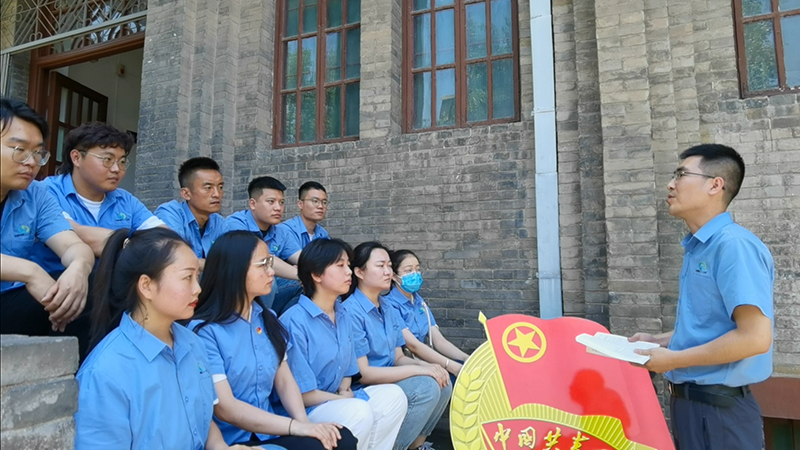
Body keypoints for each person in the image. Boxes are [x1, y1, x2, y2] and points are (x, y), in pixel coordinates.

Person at [74, 228, 278, 450]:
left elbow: (203, 421)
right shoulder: (105, 372)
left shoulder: (192, 343)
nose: (198, 289)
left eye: (197, 277)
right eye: (187, 278)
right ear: (146, 286)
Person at [629, 144, 773, 450]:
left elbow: (755, 338)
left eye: (681, 175)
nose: (670, 184)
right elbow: (712, 326)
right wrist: (659, 341)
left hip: (720, 412)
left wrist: (672, 359)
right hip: (690, 407)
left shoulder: (733, 246)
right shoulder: (698, 247)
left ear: (715, 185)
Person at [190, 231, 358, 450]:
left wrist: (306, 425)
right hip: (233, 441)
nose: (271, 272)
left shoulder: (267, 318)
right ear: (234, 269)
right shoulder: (205, 331)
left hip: (269, 432)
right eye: (263, 265)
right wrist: (295, 427)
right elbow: (226, 408)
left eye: (270, 263)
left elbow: (285, 381)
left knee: (341, 438)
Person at [280, 238, 407, 450]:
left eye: (348, 265)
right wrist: (341, 398)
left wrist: (344, 389)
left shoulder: (343, 314)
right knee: (358, 411)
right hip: (306, 409)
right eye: (340, 266)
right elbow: (301, 393)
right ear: (316, 275)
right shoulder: (294, 321)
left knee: (393, 396)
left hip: (338, 397)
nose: (348, 272)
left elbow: (348, 368)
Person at [0, 98, 94, 350]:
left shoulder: (36, 194)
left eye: (38, 153)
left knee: (89, 286)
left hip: (7, 304)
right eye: (19, 149)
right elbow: (30, 273)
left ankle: (82, 372)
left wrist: (79, 268)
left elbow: (72, 245)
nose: (31, 162)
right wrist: (29, 272)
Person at [342, 242, 451, 450]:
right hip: (367, 387)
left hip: (390, 377)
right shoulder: (350, 311)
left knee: (442, 382)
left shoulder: (387, 307)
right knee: (426, 387)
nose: (388, 272)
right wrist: (421, 370)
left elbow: (398, 357)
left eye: (389, 266)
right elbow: (364, 373)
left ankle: (417, 446)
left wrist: (431, 368)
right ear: (359, 272)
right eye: (380, 266)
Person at [34, 122, 164, 269]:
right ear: (76, 158)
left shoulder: (125, 199)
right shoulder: (46, 191)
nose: (116, 169)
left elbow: (165, 237)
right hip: (57, 280)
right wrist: (138, 245)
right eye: (107, 159)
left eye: (122, 162)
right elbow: (81, 236)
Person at [384, 250, 470, 383]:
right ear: (394, 276)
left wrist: (467, 359)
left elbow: (439, 341)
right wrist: (450, 365)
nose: (415, 274)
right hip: (407, 366)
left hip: (425, 361)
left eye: (417, 269)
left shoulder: (419, 301)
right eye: (408, 270)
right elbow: (413, 345)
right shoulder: (389, 305)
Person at [222, 177, 302, 314]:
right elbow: (262, 260)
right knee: (267, 278)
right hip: (234, 288)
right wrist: (302, 274)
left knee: (309, 285)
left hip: (268, 290)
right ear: (253, 204)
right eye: (271, 202)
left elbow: (302, 258)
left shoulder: (280, 231)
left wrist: (313, 271)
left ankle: (280, 322)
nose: (278, 208)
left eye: (281, 202)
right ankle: (257, 321)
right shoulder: (236, 224)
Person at [155, 157, 225, 269]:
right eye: (208, 188)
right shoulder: (170, 213)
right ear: (186, 194)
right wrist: (215, 266)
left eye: (220, 187)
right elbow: (174, 259)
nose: (217, 194)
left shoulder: (219, 222)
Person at [277, 181, 331, 264]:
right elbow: (304, 262)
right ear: (300, 204)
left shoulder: (323, 234)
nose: (321, 206)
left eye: (324, 202)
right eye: (315, 201)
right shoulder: (286, 230)